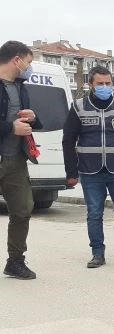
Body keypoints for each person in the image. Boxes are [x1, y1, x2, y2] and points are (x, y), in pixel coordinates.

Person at [62, 66, 114, 268]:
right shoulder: (79, 107)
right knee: (94, 214)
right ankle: (97, 254)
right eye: (100, 84)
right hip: (90, 171)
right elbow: (68, 140)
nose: (105, 87)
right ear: (91, 84)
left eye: (108, 83)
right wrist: (71, 171)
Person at [0, 41, 42, 280]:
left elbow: (27, 122)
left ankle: (15, 261)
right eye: (28, 62)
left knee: (22, 210)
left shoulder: (20, 87)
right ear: (16, 60)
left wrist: (33, 118)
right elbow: (11, 126)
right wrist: (10, 128)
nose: (29, 67)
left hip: (16, 160)